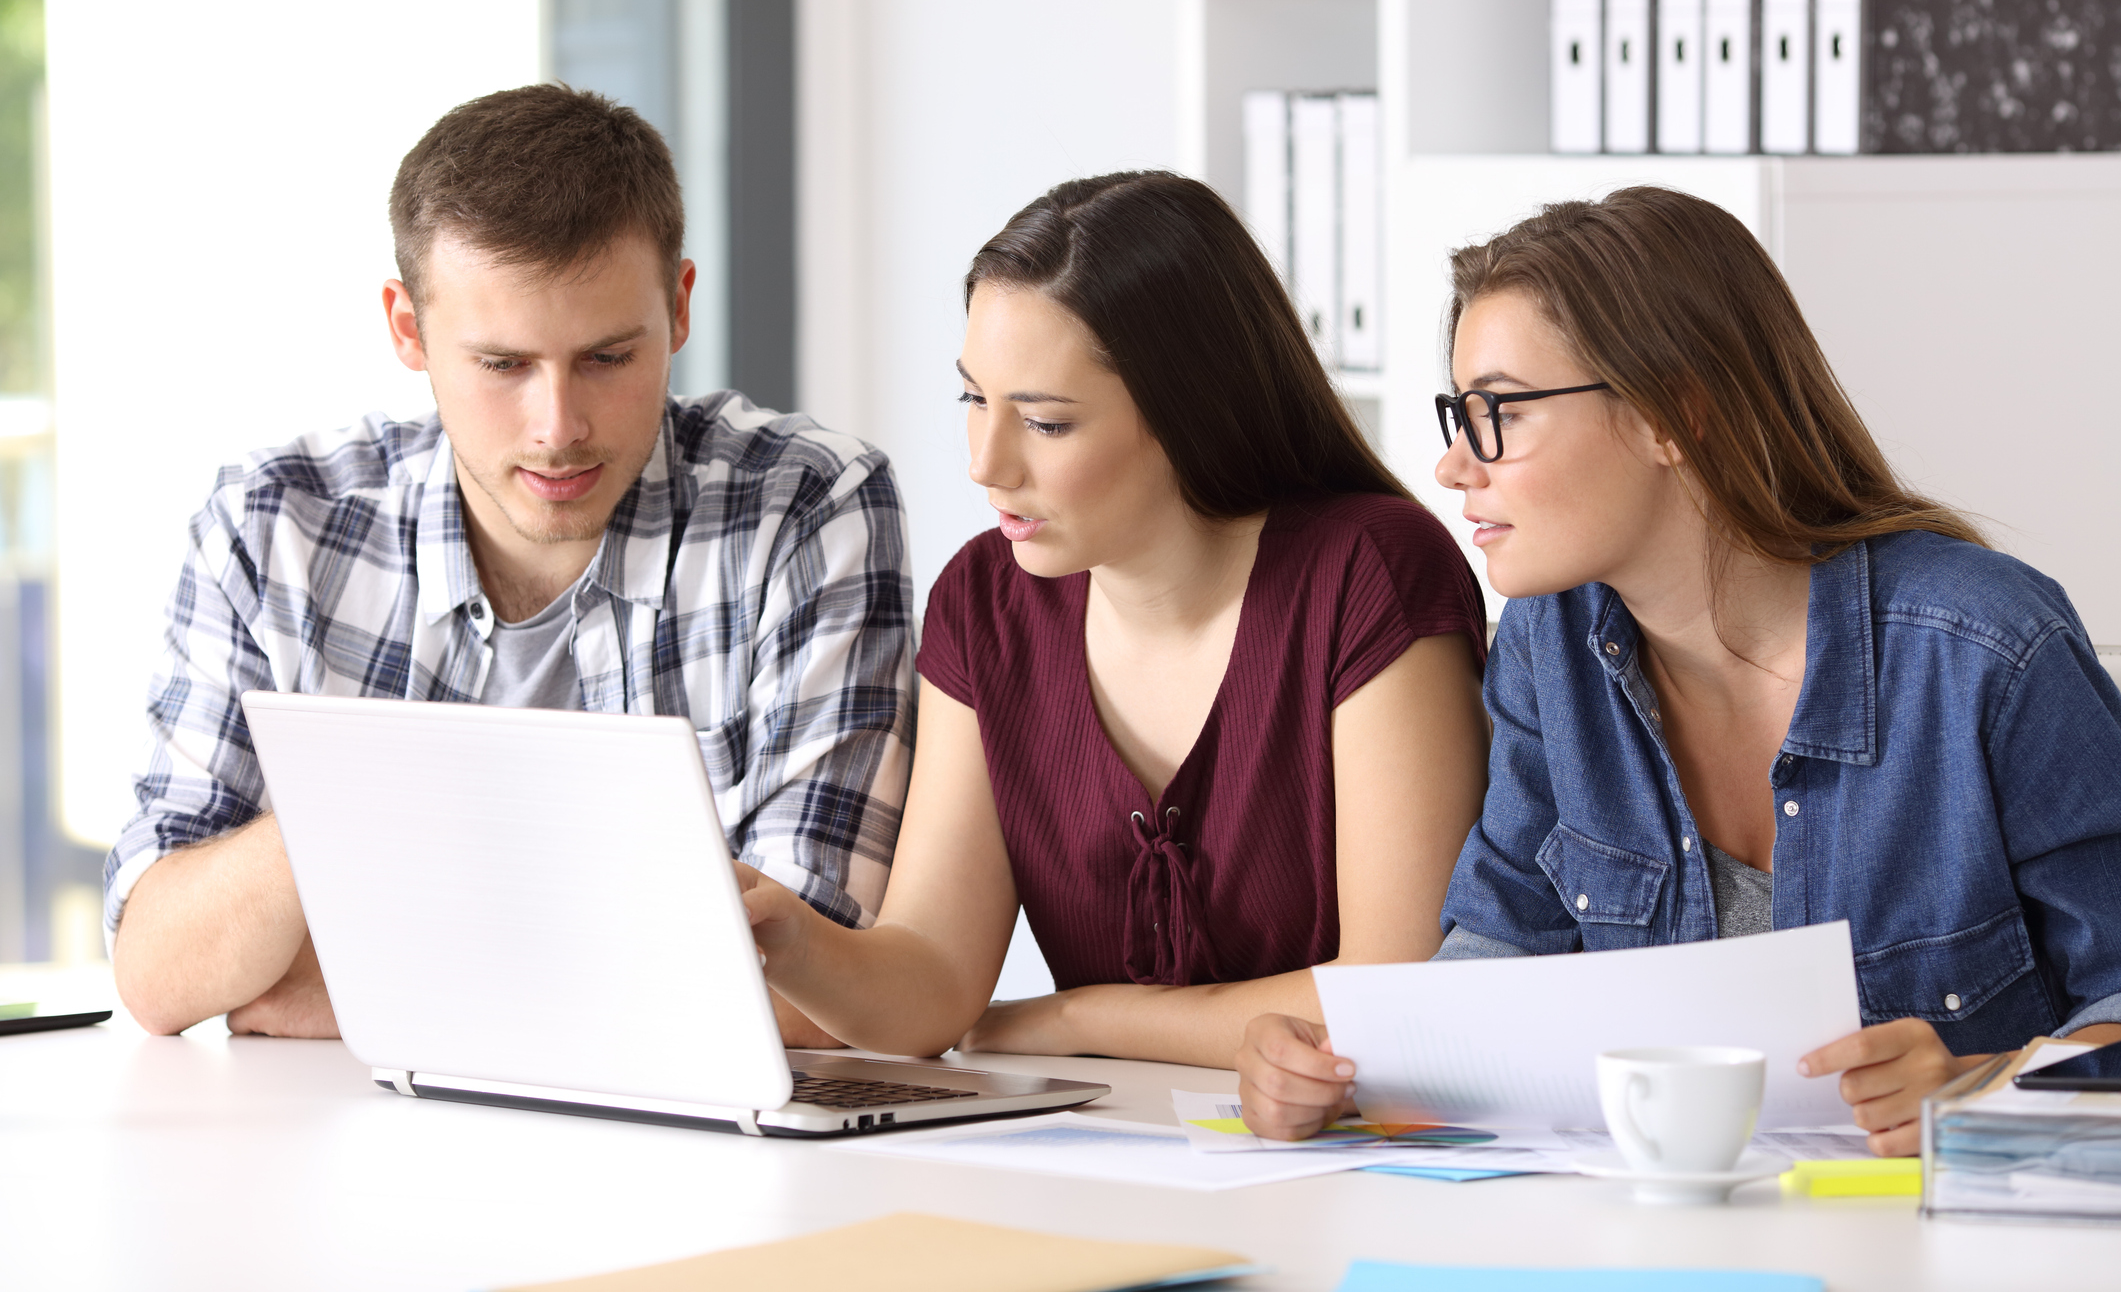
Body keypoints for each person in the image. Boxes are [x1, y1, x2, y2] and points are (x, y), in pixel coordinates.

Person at [1236, 186, 2121, 1154]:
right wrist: (1345, 1066)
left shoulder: (1983, 646)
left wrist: (1977, 1084)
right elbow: (1501, 950)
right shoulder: (1550, 640)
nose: (1453, 466)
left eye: (1500, 412)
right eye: (1460, 412)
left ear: (1674, 416)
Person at [105, 86, 913, 1044]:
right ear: (408, 329)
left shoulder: (806, 506)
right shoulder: (274, 523)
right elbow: (160, 971)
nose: (559, 429)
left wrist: (340, 981)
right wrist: (369, 795)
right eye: (502, 366)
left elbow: (814, 981)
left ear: (680, 307)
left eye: (609, 357)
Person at [734, 170, 1490, 1067]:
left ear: (1188, 412)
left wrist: (1071, 1021)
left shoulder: (1368, 575)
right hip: (1114, 1157)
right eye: (973, 398)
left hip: (1354, 1171)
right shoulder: (984, 604)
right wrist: (787, 935)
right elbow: (931, 981)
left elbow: (1391, 987)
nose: (986, 463)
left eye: (1045, 423)